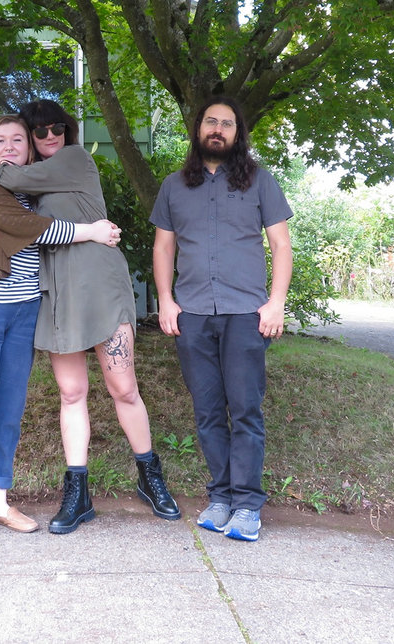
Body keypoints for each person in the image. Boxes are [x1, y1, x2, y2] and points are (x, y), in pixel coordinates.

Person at [0, 99, 180, 534]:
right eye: (40, 131)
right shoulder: (28, 182)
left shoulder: (75, 159)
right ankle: (78, 494)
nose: (50, 136)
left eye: (57, 128)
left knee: (124, 388)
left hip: (100, 287)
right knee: (71, 392)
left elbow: (8, 174)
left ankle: (150, 477)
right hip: (55, 293)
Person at [0, 115, 121, 553]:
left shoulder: (34, 191)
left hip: (21, 309)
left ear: (31, 149)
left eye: (17, 139)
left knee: (7, 408)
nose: (8, 146)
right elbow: (32, 230)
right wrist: (92, 231)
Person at [150, 95, 293, 543]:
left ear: (238, 133)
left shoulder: (261, 181)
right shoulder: (173, 186)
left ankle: (248, 505)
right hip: (191, 314)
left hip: (246, 314)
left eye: (227, 123)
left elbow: (281, 245)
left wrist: (276, 302)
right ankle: (221, 497)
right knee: (208, 411)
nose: (218, 129)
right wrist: (166, 300)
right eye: (211, 121)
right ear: (198, 129)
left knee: (245, 410)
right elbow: (163, 247)